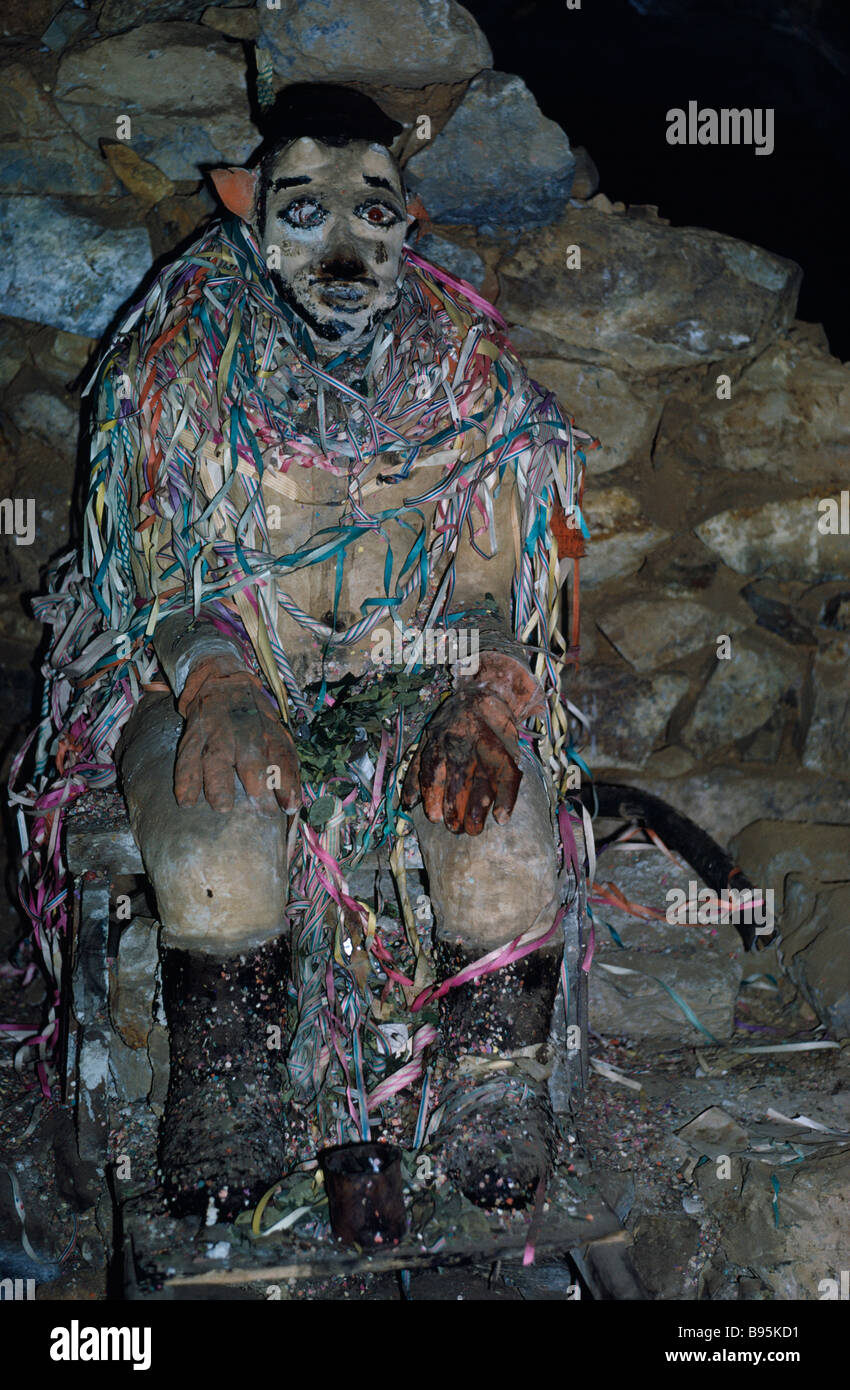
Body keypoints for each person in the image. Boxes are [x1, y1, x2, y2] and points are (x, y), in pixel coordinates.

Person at [22, 83, 593, 1218]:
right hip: (213, 683)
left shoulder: (469, 381)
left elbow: (496, 589)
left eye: (373, 211)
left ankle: (490, 1087)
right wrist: (222, 681)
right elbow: (147, 576)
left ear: (409, 222)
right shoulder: (174, 366)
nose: (343, 240)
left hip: (410, 685)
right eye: (303, 209)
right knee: (218, 845)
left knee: (505, 841)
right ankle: (227, 1084)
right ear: (244, 208)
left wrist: (477, 699)